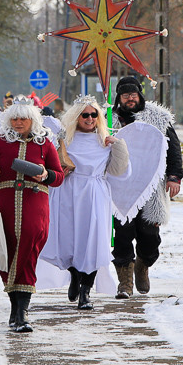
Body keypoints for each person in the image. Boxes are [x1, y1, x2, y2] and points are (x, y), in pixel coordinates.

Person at [0, 99, 65, 332]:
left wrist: (45, 174)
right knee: (6, 253)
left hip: (35, 205)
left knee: (28, 251)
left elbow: (59, 176)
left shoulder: (44, 143)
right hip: (4, 206)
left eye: (23, 118)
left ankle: (22, 313)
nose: (18, 122)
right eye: (14, 118)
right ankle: (16, 310)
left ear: (32, 120)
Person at [40, 97, 130, 309]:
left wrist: (118, 146)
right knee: (69, 239)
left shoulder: (105, 140)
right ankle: (74, 274)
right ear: (77, 116)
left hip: (94, 194)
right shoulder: (66, 139)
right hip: (67, 192)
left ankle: (85, 292)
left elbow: (120, 171)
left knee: (92, 241)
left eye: (94, 114)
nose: (90, 119)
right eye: (85, 115)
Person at [111, 75, 183, 298]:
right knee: (122, 234)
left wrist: (174, 176)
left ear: (140, 95)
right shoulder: (107, 119)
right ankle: (125, 282)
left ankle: (143, 265)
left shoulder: (158, 119)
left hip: (151, 187)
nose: (130, 99)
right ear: (119, 97)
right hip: (121, 187)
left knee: (149, 235)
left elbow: (173, 148)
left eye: (133, 94)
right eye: (125, 95)